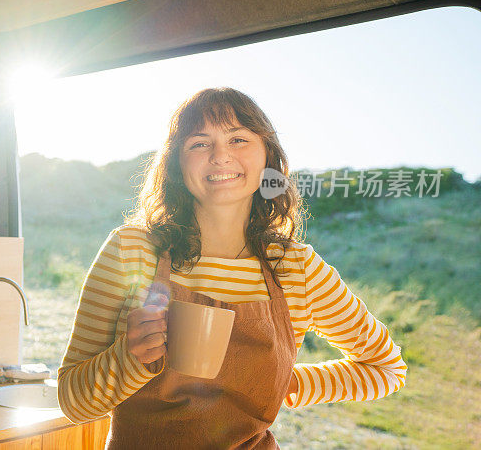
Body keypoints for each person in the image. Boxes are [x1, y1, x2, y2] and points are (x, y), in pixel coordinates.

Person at [56, 87, 407, 449]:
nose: (221, 156)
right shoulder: (131, 250)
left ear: (268, 156)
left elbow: (386, 368)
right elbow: (72, 403)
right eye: (199, 143)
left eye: (238, 139)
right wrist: (128, 358)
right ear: (177, 163)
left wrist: (283, 384)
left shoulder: (297, 268)